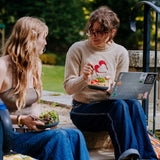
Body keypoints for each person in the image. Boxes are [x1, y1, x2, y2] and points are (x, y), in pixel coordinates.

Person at [63, 6, 158, 160]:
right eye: (91, 30)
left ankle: (147, 157)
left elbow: (120, 91)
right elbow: (68, 88)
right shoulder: (77, 49)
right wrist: (84, 78)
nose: (93, 35)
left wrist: (111, 88)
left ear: (112, 32)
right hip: (83, 109)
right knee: (118, 106)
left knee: (133, 103)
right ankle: (127, 157)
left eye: (99, 32)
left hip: (111, 107)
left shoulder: (120, 52)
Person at [0, 16, 90, 160]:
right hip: (9, 137)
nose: (45, 43)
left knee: (76, 135)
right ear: (31, 39)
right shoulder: (3, 66)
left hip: (30, 134)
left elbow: (33, 106)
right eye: (43, 38)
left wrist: (43, 124)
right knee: (58, 137)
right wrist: (21, 119)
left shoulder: (35, 65)